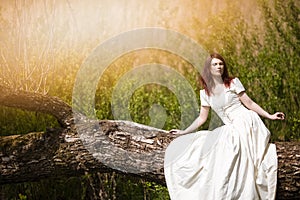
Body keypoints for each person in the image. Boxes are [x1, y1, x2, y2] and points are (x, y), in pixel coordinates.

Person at [164, 53, 285, 200]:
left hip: (245, 121)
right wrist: (184, 131)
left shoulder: (233, 82)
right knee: (207, 145)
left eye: (220, 64)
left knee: (232, 150)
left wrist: (269, 115)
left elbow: (249, 103)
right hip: (230, 126)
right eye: (215, 64)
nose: (219, 67)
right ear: (208, 68)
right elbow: (202, 118)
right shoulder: (205, 93)